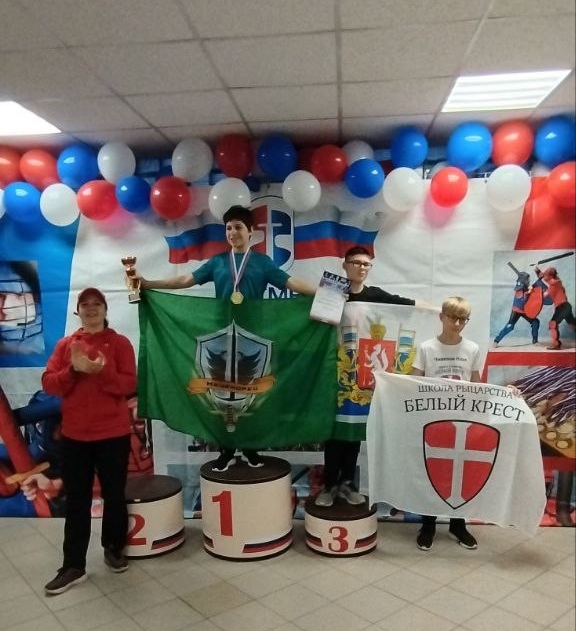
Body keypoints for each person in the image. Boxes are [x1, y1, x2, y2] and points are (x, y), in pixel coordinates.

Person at [131, 206, 315, 471]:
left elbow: (292, 284)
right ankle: (226, 449)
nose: (232, 232)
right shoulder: (218, 262)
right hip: (222, 337)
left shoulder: (262, 263)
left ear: (251, 232)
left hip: (254, 339)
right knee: (221, 396)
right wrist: (148, 284)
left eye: (238, 227)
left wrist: (323, 293)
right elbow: (185, 280)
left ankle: (251, 448)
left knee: (251, 396)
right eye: (228, 228)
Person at [316, 245, 435, 508]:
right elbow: (314, 323)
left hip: (362, 375)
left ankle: (348, 484)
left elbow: (408, 305)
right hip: (335, 372)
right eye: (356, 263)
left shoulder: (375, 295)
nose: (361, 268)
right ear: (344, 265)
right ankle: (329, 485)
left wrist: (439, 311)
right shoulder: (331, 291)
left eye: (366, 264)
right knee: (334, 430)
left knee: (355, 428)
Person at [41, 288, 137, 594]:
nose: (91, 308)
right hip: (75, 437)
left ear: (105, 310)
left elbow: (129, 384)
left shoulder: (120, 343)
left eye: (97, 304)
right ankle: (73, 565)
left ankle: (113, 548)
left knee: (114, 495)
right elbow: (49, 384)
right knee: (77, 500)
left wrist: (101, 372)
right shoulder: (66, 345)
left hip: (113, 435)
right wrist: (73, 370)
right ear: (78, 311)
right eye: (85, 304)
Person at [410, 295, 481, 551]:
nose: (458, 323)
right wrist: (388, 383)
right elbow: (413, 383)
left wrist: (506, 392)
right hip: (433, 422)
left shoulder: (472, 349)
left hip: (461, 423)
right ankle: (427, 524)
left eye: (463, 319)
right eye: (453, 317)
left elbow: (477, 386)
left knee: (459, 475)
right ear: (442, 317)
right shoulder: (426, 348)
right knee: (432, 472)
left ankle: (457, 524)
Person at [493, 270, 547, 346]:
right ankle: (496, 340)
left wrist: (539, 276)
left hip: (525, 311)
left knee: (535, 322)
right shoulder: (519, 289)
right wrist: (528, 292)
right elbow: (521, 302)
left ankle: (535, 341)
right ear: (524, 280)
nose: (529, 281)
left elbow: (536, 284)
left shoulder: (527, 288)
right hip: (517, 310)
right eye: (527, 280)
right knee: (510, 326)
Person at [534, 266, 575, 350]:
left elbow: (543, 296)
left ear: (550, 276)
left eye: (545, 274)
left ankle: (556, 344)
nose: (544, 276)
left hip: (562, 306)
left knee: (552, 324)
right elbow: (542, 276)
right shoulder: (553, 281)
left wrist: (531, 293)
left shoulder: (554, 284)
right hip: (565, 306)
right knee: (573, 325)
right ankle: (557, 343)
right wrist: (537, 270)